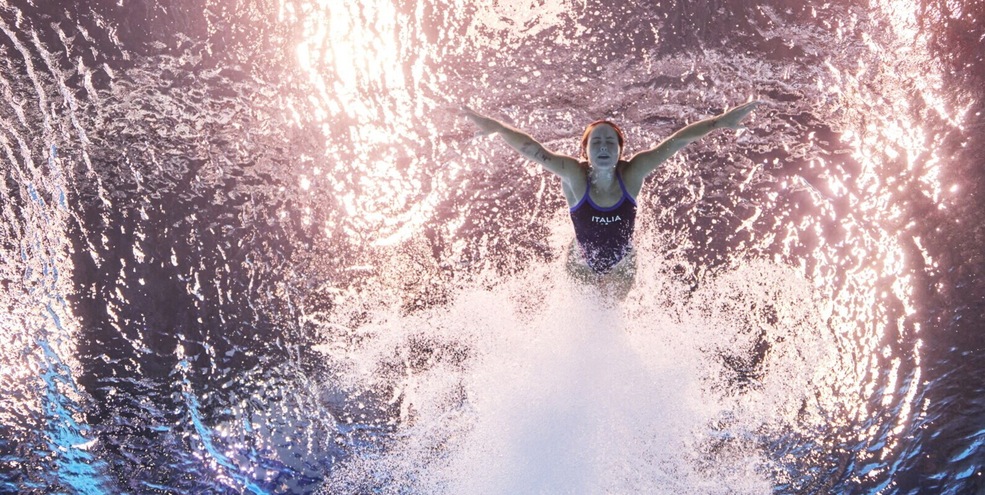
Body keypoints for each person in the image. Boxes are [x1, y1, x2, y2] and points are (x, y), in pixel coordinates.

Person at [463, 101, 760, 298]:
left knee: (609, 321)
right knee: (585, 322)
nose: (603, 147)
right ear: (585, 151)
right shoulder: (574, 174)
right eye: (596, 142)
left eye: (610, 142)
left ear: (620, 151)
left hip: (623, 264)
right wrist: (497, 127)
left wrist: (718, 122)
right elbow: (532, 149)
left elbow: (676, 142)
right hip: (581, 262)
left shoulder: (632, 173)